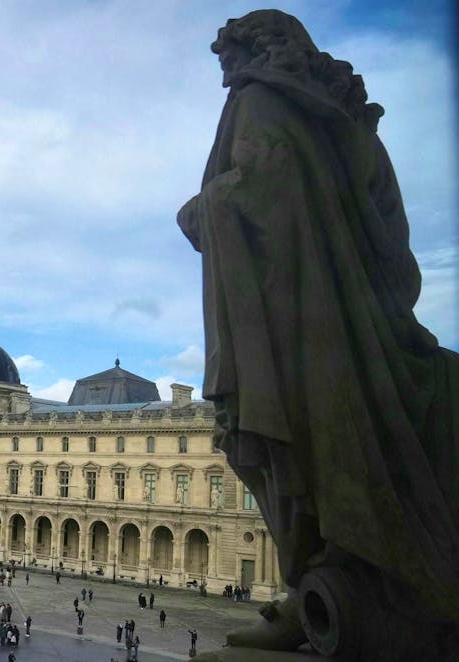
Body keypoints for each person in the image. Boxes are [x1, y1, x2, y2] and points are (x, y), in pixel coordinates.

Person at [177, 8, 459, 657]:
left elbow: (256, 192)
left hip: (301, 321)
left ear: (251, 54)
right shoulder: (350, 125)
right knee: (333, 449)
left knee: (293, 447)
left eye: (227, 62)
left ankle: (322, 584)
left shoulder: (261, 100)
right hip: (363, 317)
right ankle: (336, 585)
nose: (225, 78)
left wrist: (198, 210)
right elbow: (390, 233)